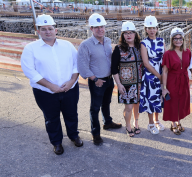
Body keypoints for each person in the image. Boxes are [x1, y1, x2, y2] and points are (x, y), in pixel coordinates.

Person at [21, 15, 82, 155]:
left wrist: (72, 81)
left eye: (50, 28)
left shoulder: (67, 45)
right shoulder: (31, 48)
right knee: (51, 118)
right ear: (38, 31)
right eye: (43, 29)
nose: (47, 31)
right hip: (45, 92)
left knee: (71, 114)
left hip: (70, 89)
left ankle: (74, 136)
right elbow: (29, 70)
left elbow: (76, 64)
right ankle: (57, 143)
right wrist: (50, 86)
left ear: (56, 30)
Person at [77, 13, 122, 146]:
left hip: (109, 79)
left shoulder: (108, 41)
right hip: (97, 81)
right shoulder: (86, 45)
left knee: (106, 102)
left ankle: (107, 122)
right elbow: (82, 65)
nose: (100, 29)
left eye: (102, 27)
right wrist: (94, 78)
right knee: (95, 107)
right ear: (91, 29)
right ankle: (95, 133)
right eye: (96, 27)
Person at [111, 22, 143, 137]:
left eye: (131, 33)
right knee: (128, 106)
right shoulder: (118, 49)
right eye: (126, 33)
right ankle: (128, 125)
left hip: (139, 82)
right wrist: (118, 84)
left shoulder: (140, 47)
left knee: (137, 104)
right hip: (126, 84)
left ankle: (136, 122)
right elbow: (114, 68)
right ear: (122, 35)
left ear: (135, 34)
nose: (128, 35)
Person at [162, 28, 191, 135]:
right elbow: (164, 71)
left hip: (184, 80)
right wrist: (164, 88)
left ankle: (178, 120)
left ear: (183, 39)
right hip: (172, 80)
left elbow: (191, 66)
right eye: (175, 38)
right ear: (172, 40)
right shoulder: (168, 53)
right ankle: (173, 124)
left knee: (182, 102)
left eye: (180, 38)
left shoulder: (187, 52)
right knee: (173, 102)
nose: (178, 40)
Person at [139, 16, 166, 134]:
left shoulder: (162, 41)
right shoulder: (143, 43)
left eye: (153, 28)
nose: (152, 30)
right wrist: (159, 76)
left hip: (161, 73)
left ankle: (156, 120)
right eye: (149, 28)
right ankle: (150, 123)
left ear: (157, 28)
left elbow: (165, 58)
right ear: (145, 29)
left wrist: (164, 74)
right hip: (150, 75)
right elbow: (146, 62)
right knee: (151, 98)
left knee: (159, 97)